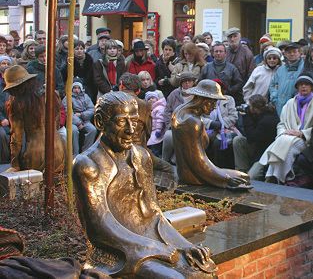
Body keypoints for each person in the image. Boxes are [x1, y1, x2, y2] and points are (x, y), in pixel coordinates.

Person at [72, 91, 216, 278]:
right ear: (100, 122)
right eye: (122, 121)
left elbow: (155, 214)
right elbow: (100, 227)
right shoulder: (88, 165)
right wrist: (158, 249)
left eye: (135, 121)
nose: (131, 130)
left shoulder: (141, 156)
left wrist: (185, 246)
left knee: (205, 269)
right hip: (116, 253)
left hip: (151, 240)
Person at [172, 79, 250, 189]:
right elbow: (198, 162)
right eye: (212, 102)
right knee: (244, 177)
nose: (214, 106)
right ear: (201, 100)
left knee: (244, 177)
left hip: (187, 172)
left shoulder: (180, 111)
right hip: (194, 176)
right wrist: (226, 179)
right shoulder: (192, 122)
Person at [3, 65, 65, 172]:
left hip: (35, 155)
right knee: (56, 185)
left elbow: (16, 137)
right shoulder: (51, 94)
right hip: (58, 147)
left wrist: (15, 164)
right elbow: (57, 122)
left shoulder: (17, 104)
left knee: (35, 187)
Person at [260, 76, 313, 184]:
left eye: (306, 84)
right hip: (287, 136)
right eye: (300, 84)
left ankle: (278, 177)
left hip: (305, 139)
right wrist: (283, 133)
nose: (303, 86)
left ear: (311, 87)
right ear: (297, 88)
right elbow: (281, 124)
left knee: (290, 148)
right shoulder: (290, 103)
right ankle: (275, 177)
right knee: (282, 140)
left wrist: (301, 133)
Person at [233, 94, 279, 179]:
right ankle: (241, 171)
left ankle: (248, 175)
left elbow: (251, 138)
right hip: (258, 147)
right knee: (238, 140)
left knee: (251, 177)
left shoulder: (267, 120)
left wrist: (246, 116)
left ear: (255, 108)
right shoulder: (262, 114)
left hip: (266, 154)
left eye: (250, 106)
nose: (248, 108)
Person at [162, 72, 196, 163]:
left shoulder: (197, 95)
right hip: (175, 124)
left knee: (186, 137)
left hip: (191, 126)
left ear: (193, 82)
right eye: (184, 82)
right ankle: (164, 160)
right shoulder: (174, 94)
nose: (187, 84)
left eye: (189, 81)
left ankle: (177, 161)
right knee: (168, 137)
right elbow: (167, 111)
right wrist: (170, 124)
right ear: (181, 83)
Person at [204, 79, 238, 169]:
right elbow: (200, 117)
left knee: (218, 143)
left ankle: (220, 169)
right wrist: (211, 124)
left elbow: (233, 117)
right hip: (209, 128)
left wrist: (221, 124)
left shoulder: (229, 99)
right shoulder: (204, 100)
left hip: (226, 129)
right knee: (202, 140)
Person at [62, 78, 97, 156]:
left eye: (78, 88)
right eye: (74, 88)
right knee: (74, 131)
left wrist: (82, 115)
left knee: (92, 130)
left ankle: (86, 152)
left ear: (81, 88)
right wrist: (78, 123)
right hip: (73, 121)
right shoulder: (67, 98)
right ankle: (75, 153)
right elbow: (68, 112)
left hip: (84, 119)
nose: (76, 90)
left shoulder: (86, 97)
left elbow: (91, 109)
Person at [269, 42, 304, 115]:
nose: (292, 54)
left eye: (294, 51)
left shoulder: (305, 68)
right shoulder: (280, 69)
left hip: (298, 107)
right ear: (285, 54)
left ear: (300, 53)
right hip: (280, 106)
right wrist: (275, 98)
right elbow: (272, 84)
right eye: (289, 52)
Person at [145, 91, 166, 157]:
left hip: (157, 131)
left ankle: (155, 155)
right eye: (149, 99)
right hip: (152, 130)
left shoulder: (159, 108)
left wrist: (158, 130)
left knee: (155, 144)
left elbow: (160, 120)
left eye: (153, 98)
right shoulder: (150, 109)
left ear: (157, 99)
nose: (151, 99)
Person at [0, 56, 11, 163]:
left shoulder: (16, 87)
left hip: (14, 120)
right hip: (2, 121)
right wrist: (2, 119)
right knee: (2, 135)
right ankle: (4, 162)